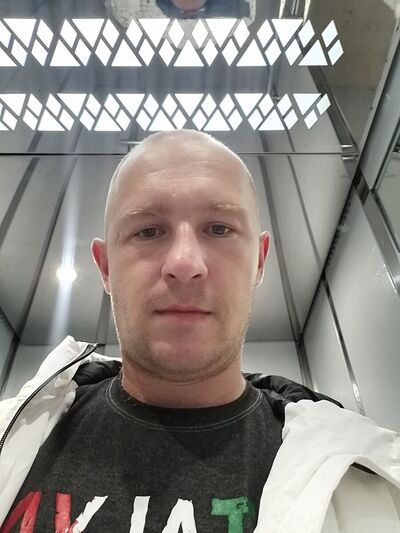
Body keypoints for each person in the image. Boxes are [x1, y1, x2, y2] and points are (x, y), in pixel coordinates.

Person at [0, 130, 399, 532]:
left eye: (219, 229)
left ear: (259, 262)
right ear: (106, 267)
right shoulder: (9, 434)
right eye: (148, 231)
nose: (184, 263)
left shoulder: (376, 486)